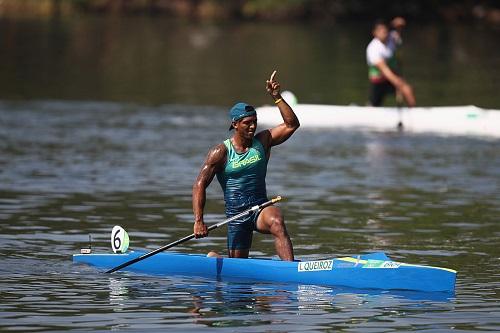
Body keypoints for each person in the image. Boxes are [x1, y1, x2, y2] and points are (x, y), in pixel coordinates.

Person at [192, 70, 299, 261]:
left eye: (255, 122)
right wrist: (199, 221)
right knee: (237, 271)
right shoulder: (220, 152)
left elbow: (291, 124)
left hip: (260, 208)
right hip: (236, 216)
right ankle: (214, 257)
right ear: (235, 124)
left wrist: (277, 97)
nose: (252, 126)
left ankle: (292, 271)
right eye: (247, 123)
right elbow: (199, 184)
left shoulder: (263, 140)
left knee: (277, 221)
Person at [366, 18, 416, 107]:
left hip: (392, 76)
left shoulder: (391, 38)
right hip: (379, 81)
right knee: (374, 105)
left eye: (385, 30)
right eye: (380, 30)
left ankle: (413, 111)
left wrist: (398, 25)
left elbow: (398, 30)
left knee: (407, 89)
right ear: (375, 33)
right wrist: (396, 81)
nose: (383, 32)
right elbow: (384, 70)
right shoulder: (373, 48)